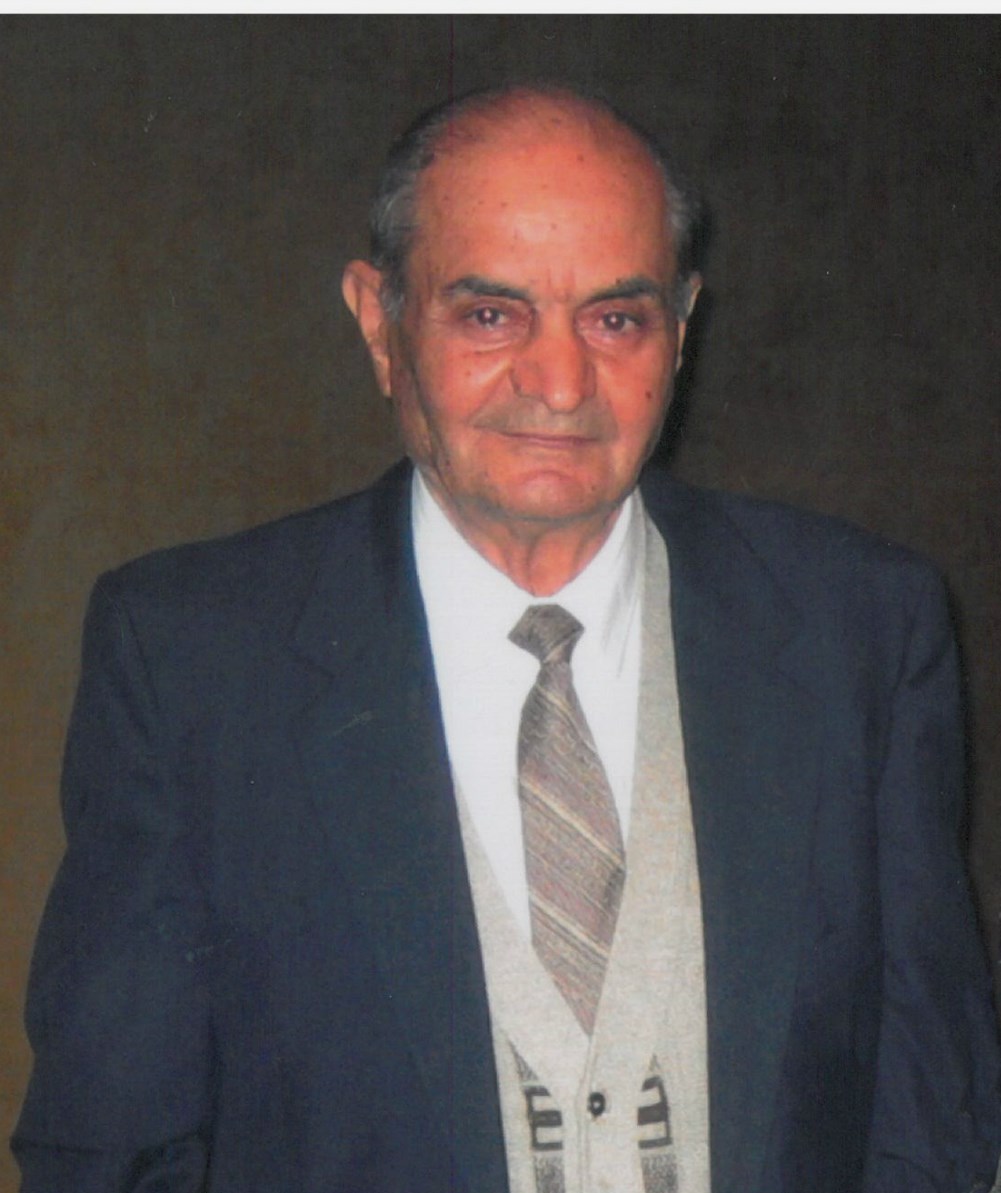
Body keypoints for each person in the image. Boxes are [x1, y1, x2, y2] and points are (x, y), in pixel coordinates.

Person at [13, 82, 1001, 1193]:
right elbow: (110, 1153)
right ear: (378, 320)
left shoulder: (858, 635)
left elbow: (933, 1119)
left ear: (681, 329)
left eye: (615, 319)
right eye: (490, 315)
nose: (560, 382)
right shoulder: (193, 664)